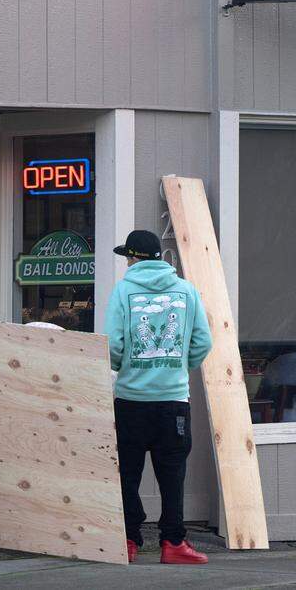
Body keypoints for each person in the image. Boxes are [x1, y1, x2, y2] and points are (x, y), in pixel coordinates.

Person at [105, 230, 213, 563]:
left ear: (133, 259)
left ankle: (128, 542)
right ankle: (173, 544)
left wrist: (127, 368)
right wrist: (177, 367)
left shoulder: (123, 291)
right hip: (173, 403)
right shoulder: (186, 291)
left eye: (127, 257)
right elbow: (202, 343)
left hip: (130, 401)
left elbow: (112, 346)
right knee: (172, 474)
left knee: (127, 474)